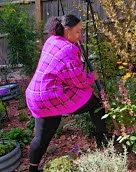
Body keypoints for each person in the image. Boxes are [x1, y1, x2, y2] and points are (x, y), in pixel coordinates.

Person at [26, 14, 108, 172]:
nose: (80, 36)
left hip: (35, 94)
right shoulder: (69, 49)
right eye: (77, 32)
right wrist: (92, 77)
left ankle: (32, 169)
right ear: (67, 30)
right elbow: (78, 81)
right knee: (96, 104)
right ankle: (103, 141)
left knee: (42, 137)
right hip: (51, 96)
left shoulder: (52, 40)